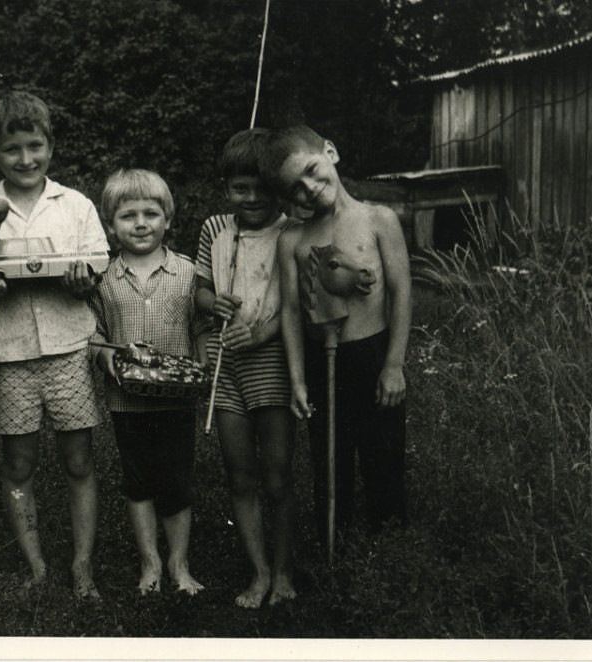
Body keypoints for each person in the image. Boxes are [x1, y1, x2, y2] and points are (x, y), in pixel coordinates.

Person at [0, 90, 108, 599]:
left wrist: (83, 281)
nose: (26, 159)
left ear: (50, 145)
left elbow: (97, 265)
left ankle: (82, 566)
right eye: (12, 150)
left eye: (35, 145)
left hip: (69, 347)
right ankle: (36, 567)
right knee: (19, 465)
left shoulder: (75, 205)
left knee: (79, 462)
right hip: (11, 355)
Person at [262, 124, 411, 549]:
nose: (310, 188)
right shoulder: (292, 238)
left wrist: (394, 364)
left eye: (311, 170)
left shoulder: (379, 219)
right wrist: (296, 379)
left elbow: (400, 293)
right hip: (321, 360)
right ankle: (338, 549)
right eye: (296, 188)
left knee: (384, 455)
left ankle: (391, 549)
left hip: (375, 353)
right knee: (330, 461)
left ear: (331, 151)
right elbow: (291, 311)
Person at [89, 169, 205, 597]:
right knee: (137, 481)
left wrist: (202, 366)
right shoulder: (103, 278)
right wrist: (107, 360)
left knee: (176, 480)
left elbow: (201, 330)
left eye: (151, 213)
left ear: (168, 219)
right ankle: (149, 562)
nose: (141, 223)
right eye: (128, 215)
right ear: (110, 224)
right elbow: (95, 335)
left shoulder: (188, 273)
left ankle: (179, 561)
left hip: (177, 399)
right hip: (127, 401)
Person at [195, 128, 298, 608]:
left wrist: (261, 332)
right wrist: (212, 302)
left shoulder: (291, 231)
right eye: (240, 188)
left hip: (272, 362)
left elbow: (295, 308)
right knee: (240, 476)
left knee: (276, 475)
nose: (251, 198)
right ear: (225, 188)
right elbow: (198, 292)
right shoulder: (215, 230)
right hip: (224, 365)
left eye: (262, 187)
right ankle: (258, 573)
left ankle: (283, 571)